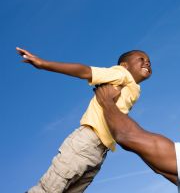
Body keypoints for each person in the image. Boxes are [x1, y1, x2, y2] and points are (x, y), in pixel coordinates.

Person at [16, 47, 152, 193]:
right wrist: (44, 63)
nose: (147, 63)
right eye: (141, 59)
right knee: (49, 189)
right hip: (87, 141)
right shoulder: (121, 73)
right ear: (124, 65)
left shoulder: (134, 89)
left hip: (100, 151)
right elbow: (86, 71)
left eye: (149, 61)